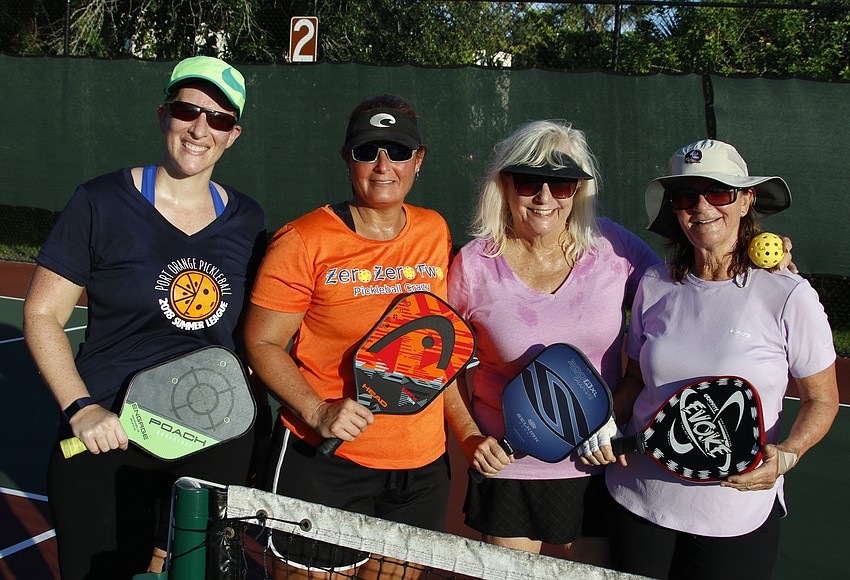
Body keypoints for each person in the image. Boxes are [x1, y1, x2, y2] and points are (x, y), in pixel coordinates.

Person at [22, 56, 266, 579]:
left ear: (233, 134)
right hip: (110, 436)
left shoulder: (249, 220)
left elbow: (255, 331)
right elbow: (42, 314)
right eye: (188, 111)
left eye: (219, 118)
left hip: (210, 442)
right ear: (164, 115)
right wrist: (81, 408)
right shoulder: (100, 202)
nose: (201, 128)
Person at [581, 139, 839, 579]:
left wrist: (789, 455)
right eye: (687, 196)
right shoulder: (655, 284)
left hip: (735, 516)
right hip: (637, 500)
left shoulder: (789, 295)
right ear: (675, 209)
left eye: (719, 192)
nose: (702, 207)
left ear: (747, 200)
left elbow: (822, 400)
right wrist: (604, 423)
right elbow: (635, 380)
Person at [244, 94, 473, 578]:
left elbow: (433, 348)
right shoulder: (304, 240)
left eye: (398, 150)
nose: (383, 165)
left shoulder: (434, 231)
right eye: (369, 151)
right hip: (326, 463)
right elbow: (262, 343)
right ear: (348, 159)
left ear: (420, 160)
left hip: (421, 469)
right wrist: (318, 410)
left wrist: (466, 430)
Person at [446, 119, 661, 564]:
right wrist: (469, 437)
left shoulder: (613, 247)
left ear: (578, 191)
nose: (545, 198)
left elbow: (682, 293)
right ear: (504, 185)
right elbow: (439, 365)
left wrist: (759, 267)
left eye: (562, 184)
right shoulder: (472, 266)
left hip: (597, 465)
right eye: (529, 181)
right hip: (510, 468)